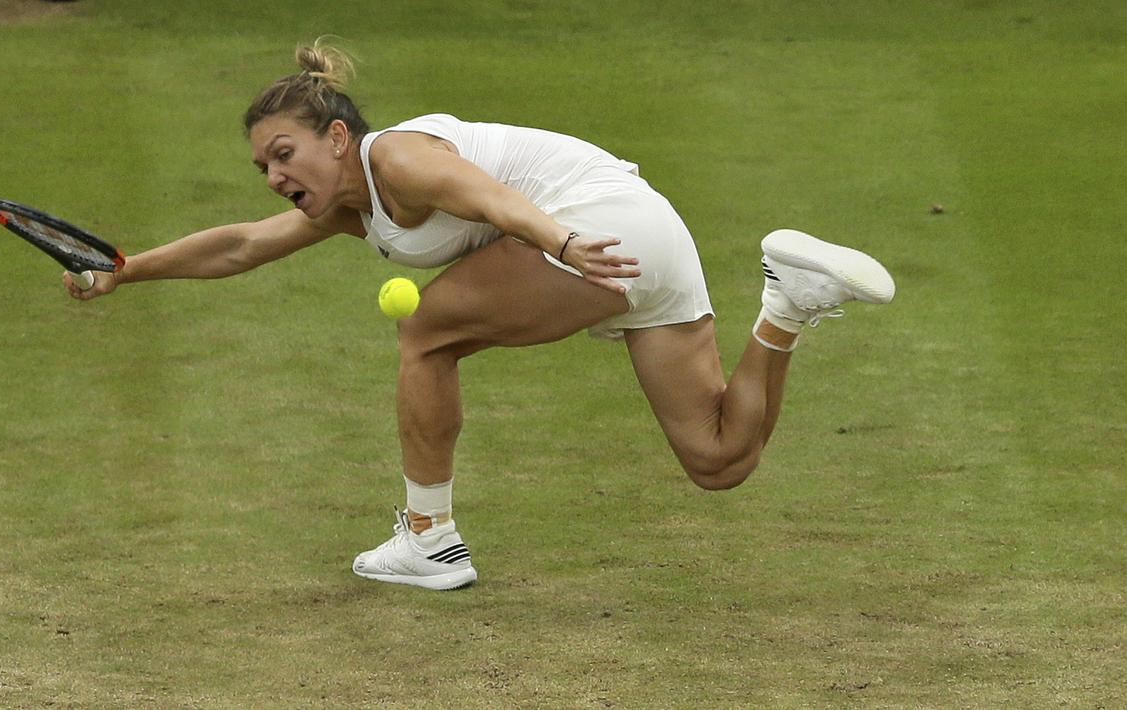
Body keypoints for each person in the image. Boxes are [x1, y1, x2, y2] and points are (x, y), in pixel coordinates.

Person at [66, 39, 895, 591]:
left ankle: (428, 537)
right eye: (262, 166)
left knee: (423, 333)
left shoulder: (398, 154)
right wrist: (127, 271)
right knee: (718, 459)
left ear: (338, 136)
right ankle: (787, 303)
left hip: (591, 229)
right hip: (652, 237)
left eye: (284, 154)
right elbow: (241, 246)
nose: (273, 177)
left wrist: (562, 242)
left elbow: (488, 198)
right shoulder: (348, 205)